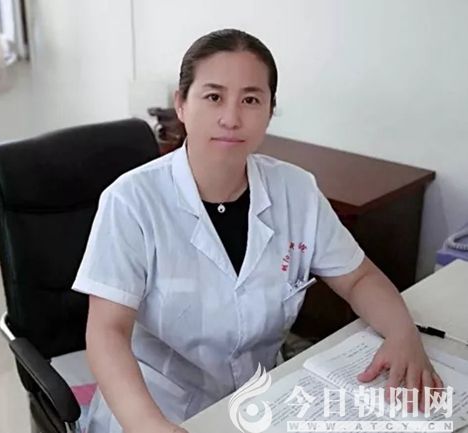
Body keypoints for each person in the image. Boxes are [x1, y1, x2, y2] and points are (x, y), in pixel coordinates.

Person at [72, 28, 442, 433]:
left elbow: (358, 278)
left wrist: (403, 334)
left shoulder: (296, 189)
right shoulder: (131, 201)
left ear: (269, 110)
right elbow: (107, 332)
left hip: (261, 402)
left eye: (250, 99)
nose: (231, 119)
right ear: (181, 104)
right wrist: (147, 424)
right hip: (155, 407)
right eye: (213, 97)